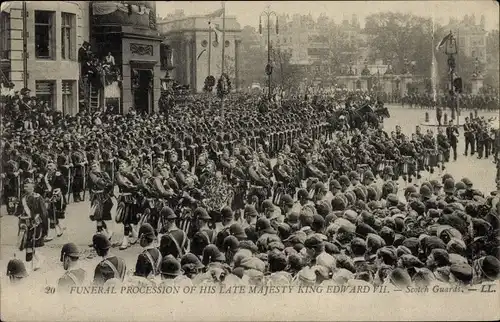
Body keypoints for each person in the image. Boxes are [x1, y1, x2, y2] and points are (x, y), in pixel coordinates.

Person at [17, 178, 48, 271]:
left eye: (27, 186)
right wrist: (19, 215)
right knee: (28, 246)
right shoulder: (23, 197)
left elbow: (44, 214)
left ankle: (28, 268)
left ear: (33, 187)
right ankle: (39, 259)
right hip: (25, 226)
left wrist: (45, 229)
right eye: (24, 186)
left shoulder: (38, 197)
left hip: (35, 225)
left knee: (29, 247)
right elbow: (18, 211)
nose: (25, 188)